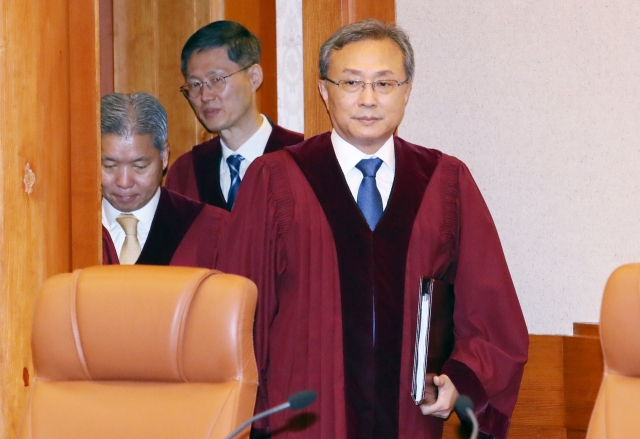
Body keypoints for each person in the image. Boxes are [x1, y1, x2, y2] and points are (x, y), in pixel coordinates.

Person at [218, 19, 529, 439]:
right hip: (305, 421)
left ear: (407, 90)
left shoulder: (445, 182)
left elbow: (491, 313)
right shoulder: (275, 181)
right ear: (324, 92)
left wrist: (461, 378)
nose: (368, 99)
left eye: (384, 84)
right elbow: (238, 319)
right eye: (351, 83)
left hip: (409, 419)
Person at [165, 20, 304, 210]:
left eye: (216, 80)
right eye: (196, 84)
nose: (205, 96)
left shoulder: (302, 158)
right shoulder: (185, 172)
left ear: (254, 77)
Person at [101, 91, 227, 268]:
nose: (124, 182)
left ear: (164, 156)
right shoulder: (67, 230)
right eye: (109, 166)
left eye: (140, 167)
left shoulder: (211, 229)